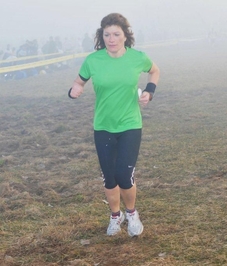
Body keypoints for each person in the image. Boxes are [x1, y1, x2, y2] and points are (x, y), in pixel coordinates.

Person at [68, 13, 160, 237]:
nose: (111, 38)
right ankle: (115, 217)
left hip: (130, 124)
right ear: (102, 36)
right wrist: (75, 90)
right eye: (107, 34)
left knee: (124, 175)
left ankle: (132, 214)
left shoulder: (137, 57)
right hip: (103, 126)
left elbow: (154, 71)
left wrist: (149, 92)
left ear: (125, 36)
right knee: (109, 177)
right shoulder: (93, 60)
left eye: (116, 34)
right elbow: (78, 82)